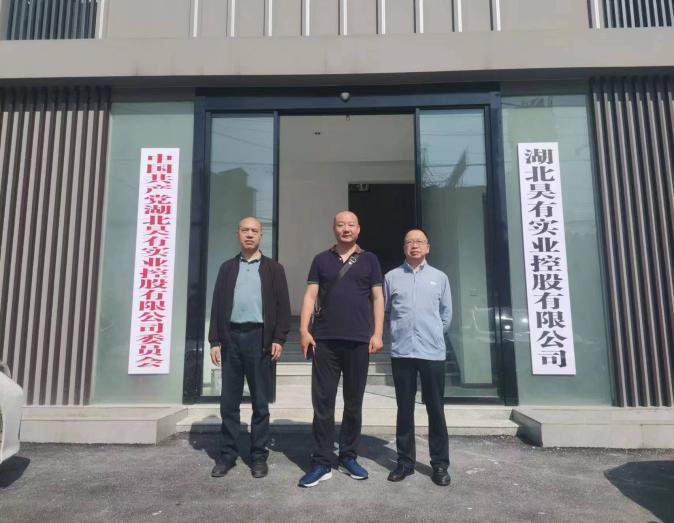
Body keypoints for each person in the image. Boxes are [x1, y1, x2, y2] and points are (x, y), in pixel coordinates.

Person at [297, 211, 385, 488]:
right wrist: (303, 330)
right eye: (340, 224)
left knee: (353, 402)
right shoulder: (321, 260)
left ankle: (348, 456)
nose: (345, 229)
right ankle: (322, 460)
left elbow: (378, 297)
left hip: (358, 340)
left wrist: (378, 333)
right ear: (334, 229)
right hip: (324, 340)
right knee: (323, 403)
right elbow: (310, 296)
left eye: (350, 225)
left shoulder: (370, 260)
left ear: (358, 229)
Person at [208, 217, 291, 479]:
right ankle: (227, 455)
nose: (250, 234)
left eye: (255, 231)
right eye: (245, 230)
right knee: (229, 403)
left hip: (260, 339)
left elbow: (283, 307)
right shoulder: (227, 268)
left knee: (260, 403)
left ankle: (258, 456)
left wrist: (278, 339)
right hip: (231, 338)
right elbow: (217, 304)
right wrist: (215, 341)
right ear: (238, 234)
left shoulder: (274, 269)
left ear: (261, 236)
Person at [384, 228, 452, 486]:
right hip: (402, 352)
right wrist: (398, 332)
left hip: (432, 353)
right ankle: (405, 462)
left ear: (427, 247)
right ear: (404, 247)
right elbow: (386, 312)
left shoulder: (440, 278)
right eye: (409, 242)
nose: (414, 245)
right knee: (404, 408)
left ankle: (440, 464)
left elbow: (446, 315)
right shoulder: (391, 277)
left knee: (436, 409)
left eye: (419, 241)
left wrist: (432, 333)